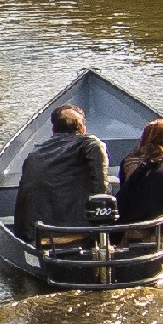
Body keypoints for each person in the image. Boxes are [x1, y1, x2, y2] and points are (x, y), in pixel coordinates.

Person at [14, 105, 110, 246]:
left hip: (31, 233)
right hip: (72, 232)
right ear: (83, 130)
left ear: (53, 130)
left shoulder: (35, 152)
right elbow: (101, 189)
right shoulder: (91, 144)